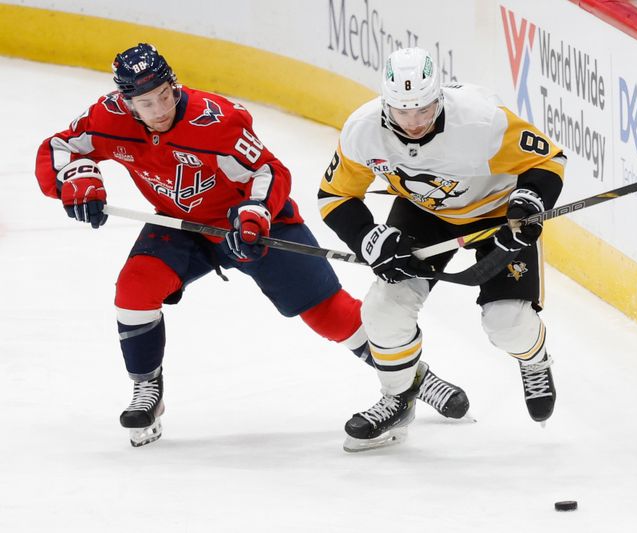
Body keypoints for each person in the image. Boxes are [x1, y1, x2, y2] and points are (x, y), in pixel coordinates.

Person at [34, 43, 469, 448]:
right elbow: (60, 148)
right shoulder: (107, 118)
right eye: (145, 103)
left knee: (329, 314)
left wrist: (254, 214)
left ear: (173, 84)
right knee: (133, 289)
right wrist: (78, 181)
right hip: (182, 226)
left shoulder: (216, 120)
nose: (160, 109)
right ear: (127, 102)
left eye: (165, 95)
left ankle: (415, 377)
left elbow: (269, 171)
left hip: (251, 225)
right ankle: (147, 387)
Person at [318, 47, 566, 451]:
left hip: (497, 213)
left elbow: (548, 160)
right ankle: (399, 396)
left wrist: (527, 205)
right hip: (424, 213)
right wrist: (369, 237)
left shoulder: (481, 120)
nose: (414, 122)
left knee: (507, 325)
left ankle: (534, 359)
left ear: (440, 98)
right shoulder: (363, 130)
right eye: (402, 111)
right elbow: (334, 196)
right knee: (383, 308)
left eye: (424, 110)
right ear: (385, 102)